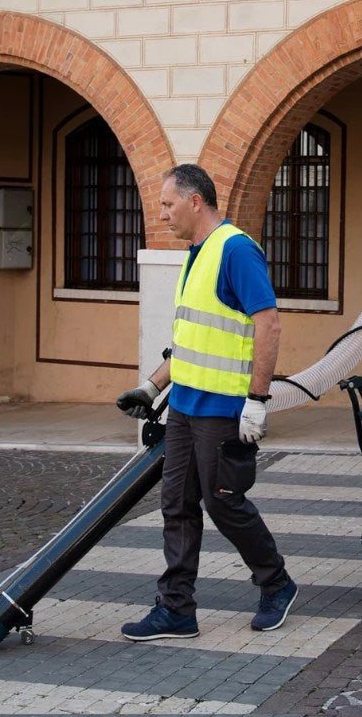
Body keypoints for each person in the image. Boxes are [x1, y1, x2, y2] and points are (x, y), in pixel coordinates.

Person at [115, 163, 297, 641]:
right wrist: (152, 387)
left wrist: (258, 399)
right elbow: (191, 341)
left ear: (195, 201)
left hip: (223, 407)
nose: (162, 215)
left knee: (224, 503)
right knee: (175, 505)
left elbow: (269, 324)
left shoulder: (235, 250)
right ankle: (177, 610)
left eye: (167, 204)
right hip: (186, 407)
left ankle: (276, 583)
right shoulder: (196, 254)